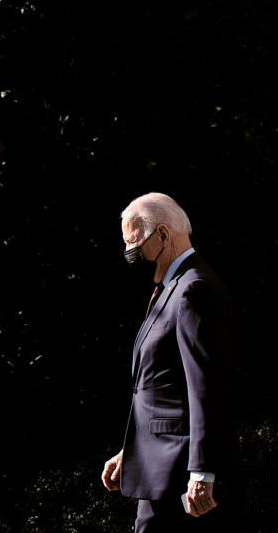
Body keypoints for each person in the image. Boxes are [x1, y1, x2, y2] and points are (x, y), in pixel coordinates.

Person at [101, 193, 237, 532]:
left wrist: (202, 472)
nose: (131, 257)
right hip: (158, 467)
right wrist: (131, 453)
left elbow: (206, 387)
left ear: (163, 235)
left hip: (177, 474)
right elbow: (163, 387)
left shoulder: (193, 289)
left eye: (135, 246)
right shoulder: (172, 287)